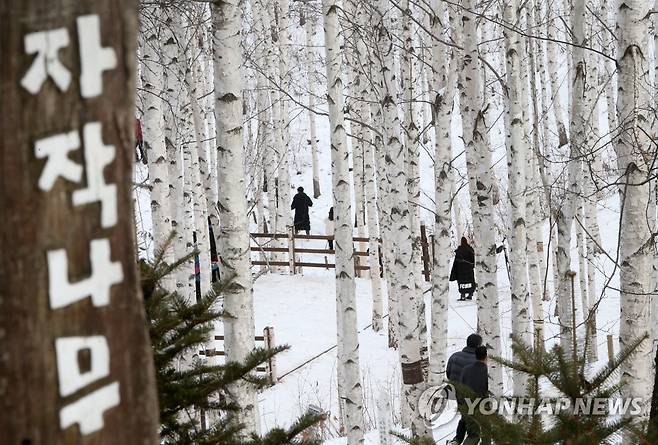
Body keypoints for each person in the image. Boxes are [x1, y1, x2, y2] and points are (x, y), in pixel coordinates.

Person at [446, 334, 482, 445]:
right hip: (472, 398)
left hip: (458, 395)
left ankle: (456, 441)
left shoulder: (454, 356)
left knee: (465, 418)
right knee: (474, 433)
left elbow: (448, 374)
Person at [460, 345, 490, 445]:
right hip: (484, 406)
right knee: (487, 433)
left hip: (468, 405)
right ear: (486, 357)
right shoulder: (488, 371)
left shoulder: (466, 369)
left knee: (473, 435)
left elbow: (461, 387)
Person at [450, 236, 476, 301]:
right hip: (469, 270)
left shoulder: (459, 251)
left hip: (460, 271)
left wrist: (454, 273)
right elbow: (474, 259)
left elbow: (455, 263)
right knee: (470, 282)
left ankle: (463, 296)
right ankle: (470, 295)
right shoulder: (470, 249)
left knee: (462, 283)